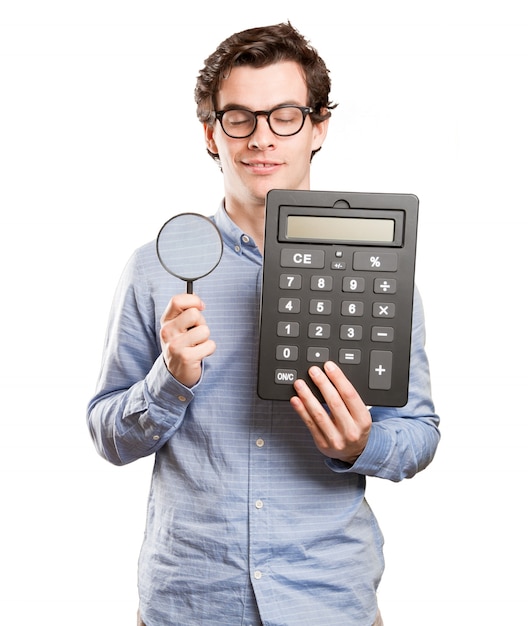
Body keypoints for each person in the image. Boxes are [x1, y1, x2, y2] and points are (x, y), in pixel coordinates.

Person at [87, 22, 440, 626]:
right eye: (239, 118)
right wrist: (166, 381)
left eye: (284, 115)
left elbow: (419, 434)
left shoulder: (376, 266)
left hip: (326, 601)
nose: (260, 139)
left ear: (318, 125)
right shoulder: (153, 270)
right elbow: (108, 436)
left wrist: (359, 446)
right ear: (210, 133)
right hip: (188, 603)